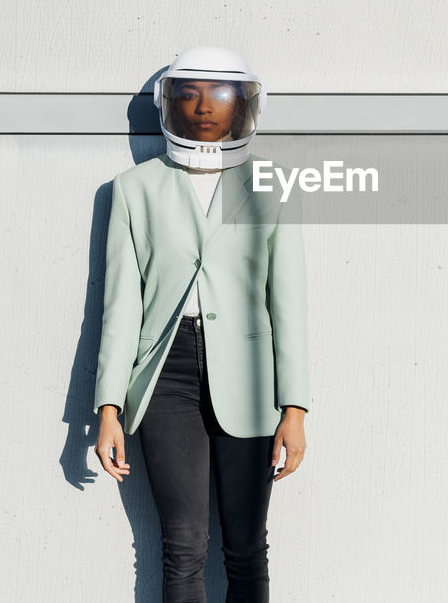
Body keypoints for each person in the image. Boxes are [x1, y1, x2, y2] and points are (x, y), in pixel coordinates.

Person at [93, 46, 310, 603]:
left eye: (218, 96)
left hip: (251, 376)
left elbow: (287, 304)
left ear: (243, 106)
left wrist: (295, 408)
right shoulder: (133, 189)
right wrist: (108, 407)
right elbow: (121, 306)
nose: (204, 108)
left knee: (245, 545)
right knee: (182, 545)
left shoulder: (272, 186)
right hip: (167, 373)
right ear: (171, 105)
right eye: (188, 95)